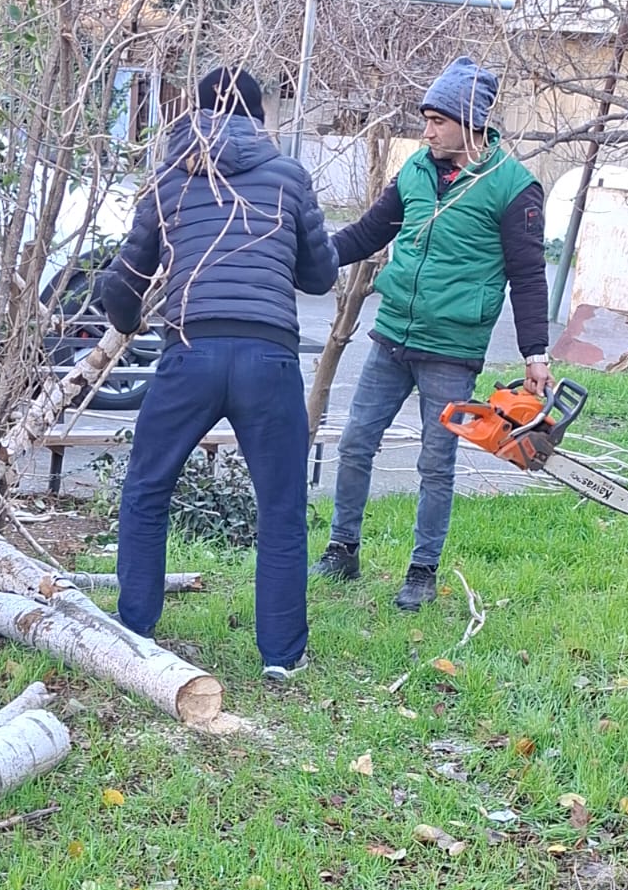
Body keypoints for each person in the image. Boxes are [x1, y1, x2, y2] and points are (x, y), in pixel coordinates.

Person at [100, 66, 339, 682]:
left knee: (147, 490)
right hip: (269, 358)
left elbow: (124, 282)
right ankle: (281, 656)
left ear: (194, 113)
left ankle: (134, 632)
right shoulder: (288, 176)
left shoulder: (169, 178)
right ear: (259, 118)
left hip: (190, 352)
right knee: (281, 507)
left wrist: (124, 319)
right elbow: (320, 277)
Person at [312, 56, 550, 610]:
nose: (427, 131)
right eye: (426, 120)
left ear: (472, 124)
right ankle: (342, 550)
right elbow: (368, 233)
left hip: (451, 350)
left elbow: (528, 275)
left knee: (435, 464)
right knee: (354, 443)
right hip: (391, 336)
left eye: (437, 121)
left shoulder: (513, 187)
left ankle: (422, 572)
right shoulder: (416, 170)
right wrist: (308, 257)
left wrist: (535, 353)